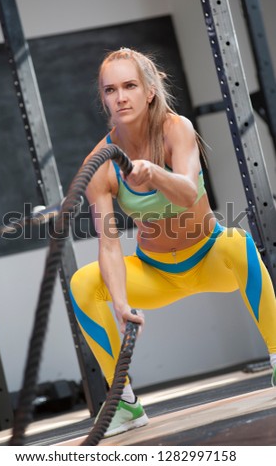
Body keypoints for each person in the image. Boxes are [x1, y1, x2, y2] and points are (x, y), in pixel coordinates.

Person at [70, 47, 276, 438]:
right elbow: (109, 243)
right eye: (110, 89)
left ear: (149, 90)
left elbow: (186, 192)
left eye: (130, 85)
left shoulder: (175, 129)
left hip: (209, 259)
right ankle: (123, 402)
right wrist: (120, 303)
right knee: (83, 282)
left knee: (238, 240)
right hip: (157, 273)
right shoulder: (100, 162)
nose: (121, 97)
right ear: (104, 98)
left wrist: (154, 173)